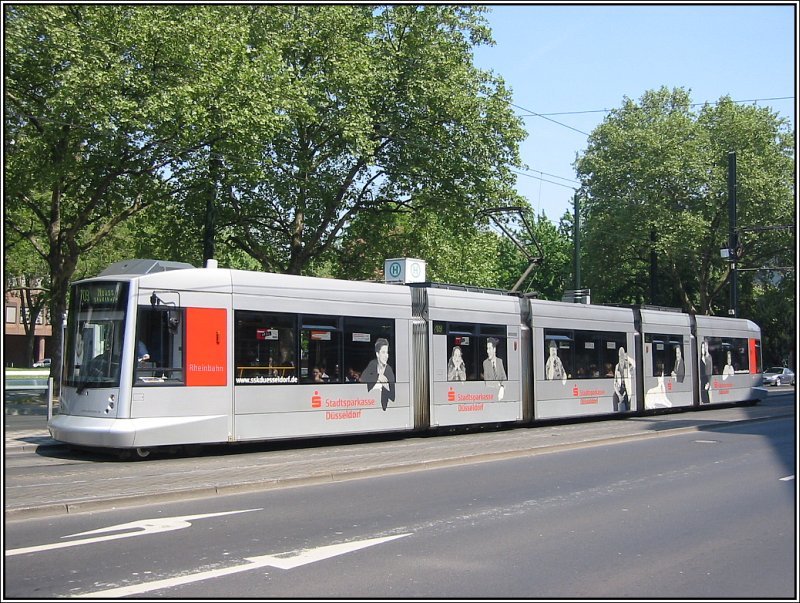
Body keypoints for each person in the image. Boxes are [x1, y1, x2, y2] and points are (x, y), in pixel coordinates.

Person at [360, 338, 395, 411]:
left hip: (382, 409)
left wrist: (386, 386)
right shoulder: (373, 364)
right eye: (383, 352)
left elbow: (393, 397)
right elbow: (362, 378)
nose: (386, 356)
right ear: (377, 354)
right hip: (368, 405)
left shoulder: (389, 370)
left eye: (387, 352)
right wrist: (378, 376)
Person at [613, 346, 633, 412]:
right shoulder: (617, 366)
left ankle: (628, 411)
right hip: (620, 388)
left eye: (622, 356)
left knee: (627, 400)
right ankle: (615, 413)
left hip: (626, 388)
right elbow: (615, 382)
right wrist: (619, 395)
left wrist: (628, 358)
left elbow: (635, 364)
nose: (621, 358)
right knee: (614, 397)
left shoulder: (627, 365)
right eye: (620, 356)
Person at [700, 339, 713, 404]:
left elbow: (710, 371)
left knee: (708, 398)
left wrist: (709, 383)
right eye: (703, 346)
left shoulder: (709, 357)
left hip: (707, 381)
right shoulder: (704, 357)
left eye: (705, 346)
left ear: (707, 346)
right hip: (704, 381)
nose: (705, 348)